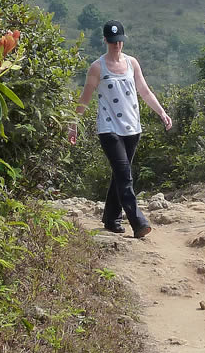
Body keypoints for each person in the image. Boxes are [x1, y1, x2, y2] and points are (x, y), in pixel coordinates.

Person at [68, 20, 172, 237]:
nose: (117, 45)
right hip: (109, 128)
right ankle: (138, 222)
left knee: (120, 174)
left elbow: (144, 91)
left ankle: (111, 219)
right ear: (105, 40)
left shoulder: (132, 63)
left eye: (120, 41)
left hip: (132, 127)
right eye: (113, 42)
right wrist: (73, 123)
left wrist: (161, 112)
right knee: (125, 175)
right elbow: (85, 98)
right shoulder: (97, 67)